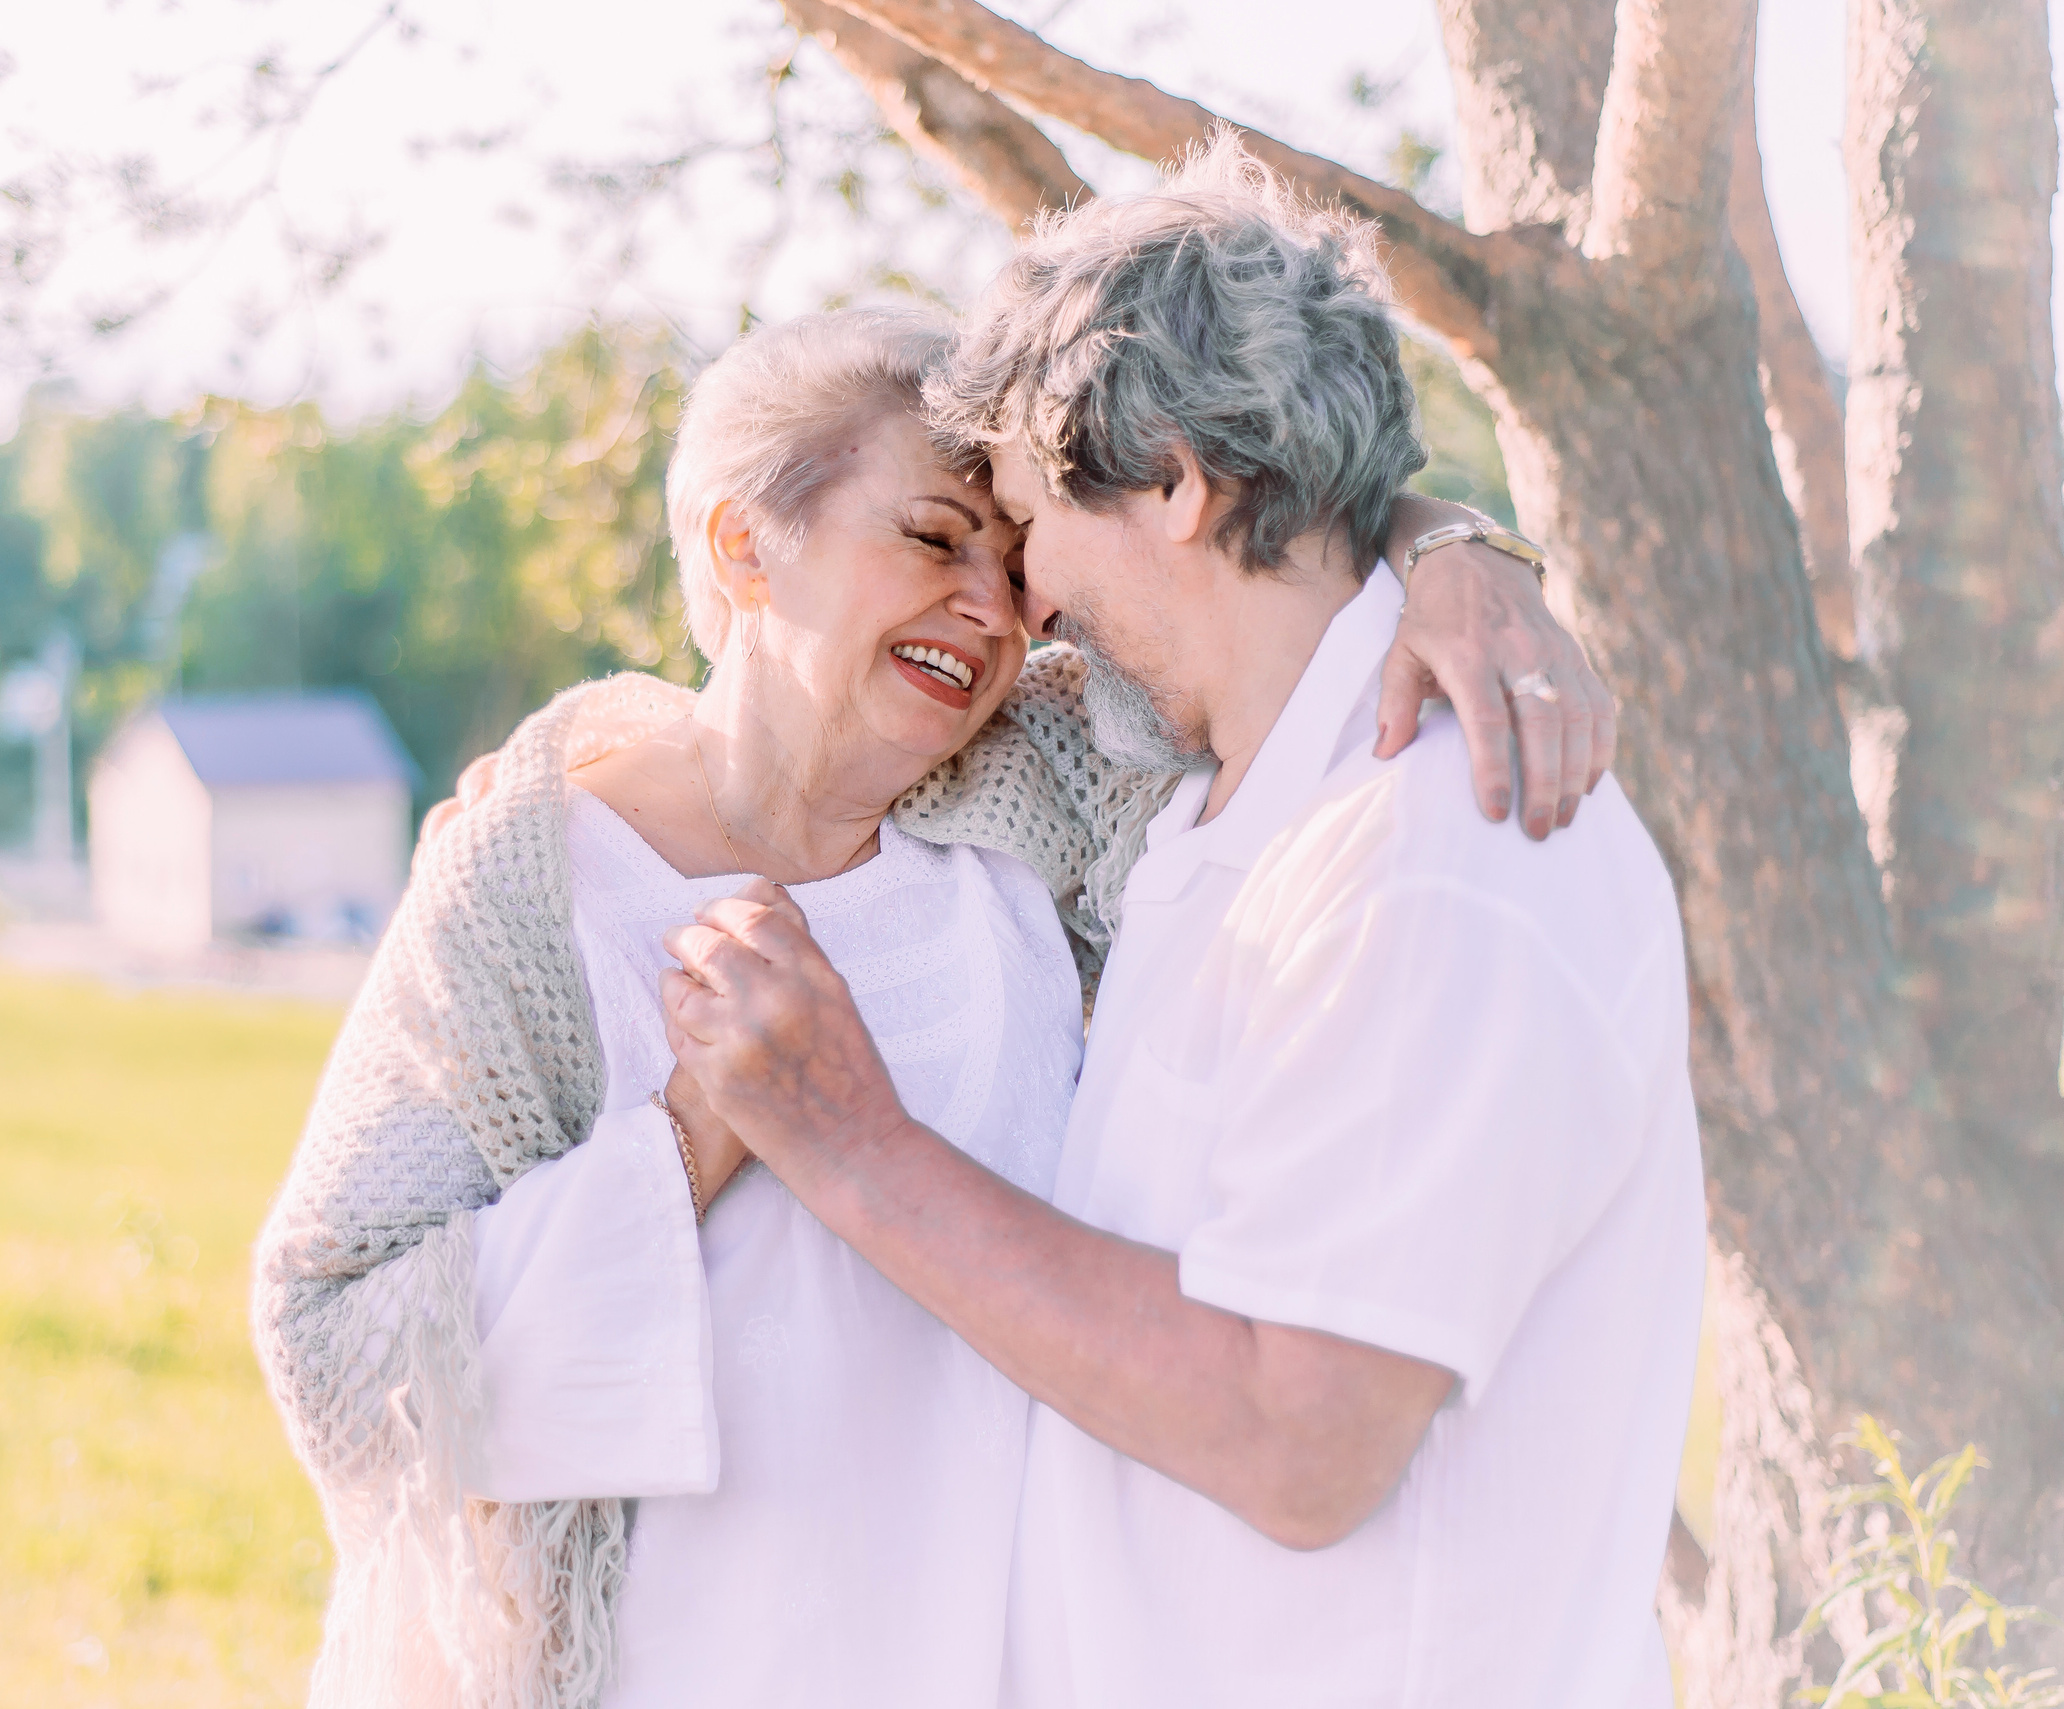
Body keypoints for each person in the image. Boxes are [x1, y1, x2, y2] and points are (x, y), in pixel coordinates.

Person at [252, 303, 1608, 1708]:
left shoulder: (1051, 797)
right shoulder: (529, 894)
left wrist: (1446, 544)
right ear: (742, 546)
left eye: (1019, 561)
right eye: (933, 537)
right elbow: (337, 1350)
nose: (995, 606)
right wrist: (690, 1131)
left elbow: (1255, 581)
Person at [661, 143, 1705, 1709]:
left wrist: (849, 1140)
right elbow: (805, 700)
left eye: (1025, 530)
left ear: (1173, 481)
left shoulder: (1440, 850)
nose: (1032, 611)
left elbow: (1304, 1438)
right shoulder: (1225, 800)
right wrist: (1441, 533)